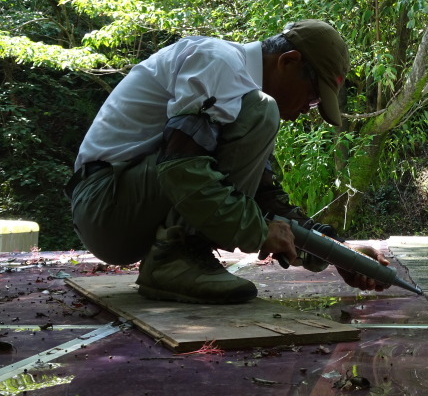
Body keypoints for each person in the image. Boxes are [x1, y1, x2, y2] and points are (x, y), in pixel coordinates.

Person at [66, 19, 388, 304]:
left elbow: (260, 199)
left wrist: (340, 253)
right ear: (289, 62)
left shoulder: (239, 100)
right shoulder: (219, 63)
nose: (307, 109)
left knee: (260, 117)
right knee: (264, 112)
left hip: (122, 208)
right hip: (103, 204)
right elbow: (180, 167)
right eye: (313, 96)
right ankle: (174, 260)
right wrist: (260, 231)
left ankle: (177, 256)